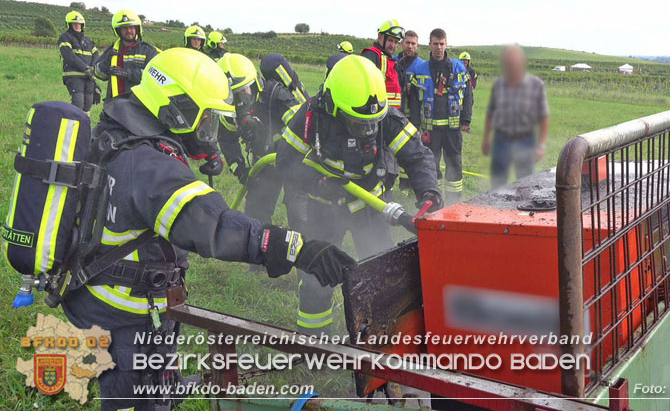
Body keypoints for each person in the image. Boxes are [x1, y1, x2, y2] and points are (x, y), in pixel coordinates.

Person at [61, 48, 356, 410]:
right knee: (138, 396)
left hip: (99, 293)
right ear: (177, 108)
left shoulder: (119, 132)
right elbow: (212, 224)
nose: (208, 132)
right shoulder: (150, 167)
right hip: (124, 312)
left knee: (148, 385)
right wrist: (295, 247)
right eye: (205, 119)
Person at [275, 55, 441, 335]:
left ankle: (382, 342)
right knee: (317, 276)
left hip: (370, 207)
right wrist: (316, 183)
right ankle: (316, 345)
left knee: (383, 274)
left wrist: (429, 193)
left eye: (373, 123)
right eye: (358, 122)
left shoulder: (382, 114)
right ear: (334, 106)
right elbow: (285, 162)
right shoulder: (313, 115)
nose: (368, 130)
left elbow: (417, 156)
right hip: (324, 210)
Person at [216, 53, 304, 226]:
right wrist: (241, 170)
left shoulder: (275, 94)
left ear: (255, 83)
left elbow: (300, 127)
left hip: (294, 162)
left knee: (301, 218)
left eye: (243, 91)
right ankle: (262, 249)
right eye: (232, 95)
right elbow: (227, 140)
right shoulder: (229, 110)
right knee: (255, 216)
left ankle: (303, 249)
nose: (239, 100)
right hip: (263, 163)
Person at [407, 28, 473, 206]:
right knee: (431, 167)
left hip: (452, 130)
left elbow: (468, 95)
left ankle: (453, 204)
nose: (438, 47)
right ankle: (435, 203)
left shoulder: (458, 67)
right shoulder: (420, 69)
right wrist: (416, 124)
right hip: (430, 130)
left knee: (454, 166)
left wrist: (466, 120)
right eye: (435, 44)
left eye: (441, 44)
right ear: (429, 44)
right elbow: (413, 99)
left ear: (446, 44)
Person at [481, 45, 549, 189]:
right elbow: (490, 113)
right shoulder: (498, 85)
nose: (510, 67)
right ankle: (496, 209)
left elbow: (544, 117)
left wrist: (541, 145)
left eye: (514, 63)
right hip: (500, 140)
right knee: (497, 185)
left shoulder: (536, 85)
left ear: (522, 63)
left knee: (526, 185)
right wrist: (487, 138)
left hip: (525, 140)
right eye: (508, 63)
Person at [93, 10, 159, 101]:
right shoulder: (113, 50)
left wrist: (128, 73)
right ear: (118, 31)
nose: (128, 31)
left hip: (138, 103)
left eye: (131, 27)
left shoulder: (148, 50)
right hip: (114, 103)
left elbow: (153, 77)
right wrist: (106, 61)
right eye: (124, 28)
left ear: (137, 29)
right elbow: (98, 74)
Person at [57, 11, 98, 112]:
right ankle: (73, 126)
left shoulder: (88, 41)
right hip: (74, 76)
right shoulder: (65, 38)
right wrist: (86, 68)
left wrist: (92, 68)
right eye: (74, 24)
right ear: (69, 25)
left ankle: (85, 126)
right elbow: (69, 56)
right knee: (78, 104)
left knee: (88, 104)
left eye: (79, 24)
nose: (77, 26)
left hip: (88, 77)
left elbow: (96, 54)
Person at [361, 19, 404, 109]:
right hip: (377, 115)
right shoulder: (371, 55)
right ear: (380, 38)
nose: (393, 45)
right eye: (390, 40)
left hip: (392, 116)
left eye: (396, 42)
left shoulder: (393, 62)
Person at [395, 30, 422, 123]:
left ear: (417, 46)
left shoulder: (422, 66)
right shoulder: (392, 61)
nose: (410, 46)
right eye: (407, 43)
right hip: (393, 112)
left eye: (413, 43)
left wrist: (415, 89)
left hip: (413, 116)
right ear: (402, 43)